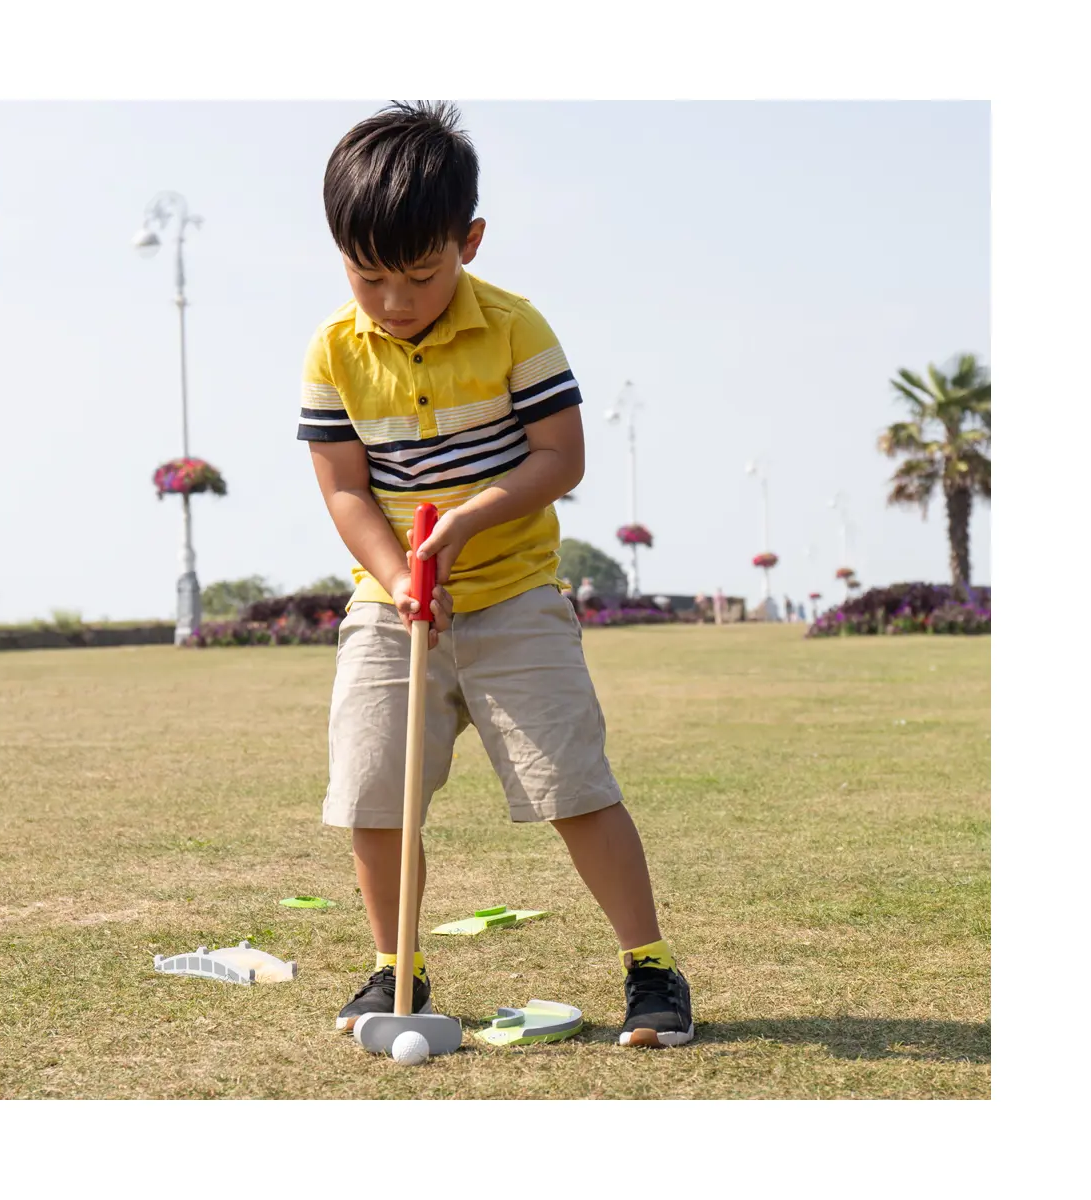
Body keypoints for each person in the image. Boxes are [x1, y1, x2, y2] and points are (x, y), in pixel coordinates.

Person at [297, 102, 692, 1048]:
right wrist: (399, 576)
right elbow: (344, 488)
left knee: (574, 788)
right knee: (374, 794)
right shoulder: (334, 351)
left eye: (419, 275)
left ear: (467, 243)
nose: (393, 301)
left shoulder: (515, 328)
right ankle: (397, 968)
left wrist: (470, 520)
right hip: (392, 606)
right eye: (368, 276)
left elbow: (561, 457)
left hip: (515, 598)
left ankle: (650, 968)